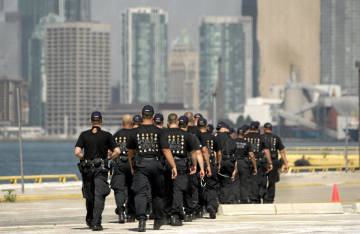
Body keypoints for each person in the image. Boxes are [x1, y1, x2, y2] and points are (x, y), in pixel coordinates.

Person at [127, 105, 177, 232]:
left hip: (141, 165)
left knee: (140, 193)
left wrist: (132, 166)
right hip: (156, 164)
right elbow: (166, 150)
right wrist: (173, 166)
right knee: (158, 193)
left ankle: (142, 220)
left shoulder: (134, 132)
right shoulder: (160, 131)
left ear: (142, 115)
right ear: (153, 117)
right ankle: (158, 220)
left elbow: (130, 152)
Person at [75, 111, 120, 231]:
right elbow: (117, 151)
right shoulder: (107, 135)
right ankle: (96, 222)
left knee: (89, 195)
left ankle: (90, 219)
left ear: (91, 121)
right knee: (99, 195)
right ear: (101, 121)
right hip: (101, 169)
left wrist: (84, 158)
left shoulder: (84, 135)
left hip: (87, 169)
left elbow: (77, 152)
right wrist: (109, 158)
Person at [165, 114, 204, 226]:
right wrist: (195, 165)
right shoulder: (188, 136)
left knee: (168, 190)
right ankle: (177, 214)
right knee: (180, 189)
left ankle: (169, 214)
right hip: (181, 164)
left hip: (166, 164)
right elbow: (195, 152)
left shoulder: (164, 133)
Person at [111, 114, 136, 223]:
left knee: (119, 188)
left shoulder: (116, 135)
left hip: (119, 163)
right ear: (132, 123)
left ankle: (121, 211)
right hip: (132, 164)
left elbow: (109, 151)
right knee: (133, 188)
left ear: (122, 123)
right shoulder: (136, 134)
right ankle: (131, 214)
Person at [244, 121, 273, 204]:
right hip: (258, 162)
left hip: (246, 162)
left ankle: (249, 198)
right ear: (258, 128)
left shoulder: (245, 137)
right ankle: (257, 198)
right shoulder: (261, 138)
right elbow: (266, 151)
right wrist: (270, 163)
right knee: (259, 181)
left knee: (248, 181)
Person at [197, 117, 220, 219]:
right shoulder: (212, 137)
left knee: (198, 187)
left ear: (197, 126)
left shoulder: (195, 136)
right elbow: (218, 152)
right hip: (210, 163)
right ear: (206, 126)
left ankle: (199, 209)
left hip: (198, 164)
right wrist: (218, 163)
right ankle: (211, 205)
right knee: (211, 187)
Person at [262, 122, 289, 203]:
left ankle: (263, 197)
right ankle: (270, 199)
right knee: (272, 182)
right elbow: (282, 151)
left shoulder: (261, 137)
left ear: (264, 129)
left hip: (263, 162)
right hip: (274, 161)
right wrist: (286, 164)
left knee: (261, 181)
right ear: (271, 129)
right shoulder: (276, 138)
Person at [233, 125, 258, 204]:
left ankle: (236, 198)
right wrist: (255, 167)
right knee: (244, 182)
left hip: (234, 163)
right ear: (244, 134)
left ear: (237, 133)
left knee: (235, 181)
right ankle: (245, 198)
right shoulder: (247, 143)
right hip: (244, 163)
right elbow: (252, 156)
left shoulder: (232, 142)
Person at [215, 122, 237, 204]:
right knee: (227, 182)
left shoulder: (216, 137)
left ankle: (219, 200)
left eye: (219, 129)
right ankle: (226, 200)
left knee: (217, 181)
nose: (218, 131)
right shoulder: (231, 139)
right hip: (230, 161)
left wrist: (218, 163)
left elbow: (218, 152)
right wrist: (235, 169)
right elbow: (236, 156)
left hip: (220, 160)